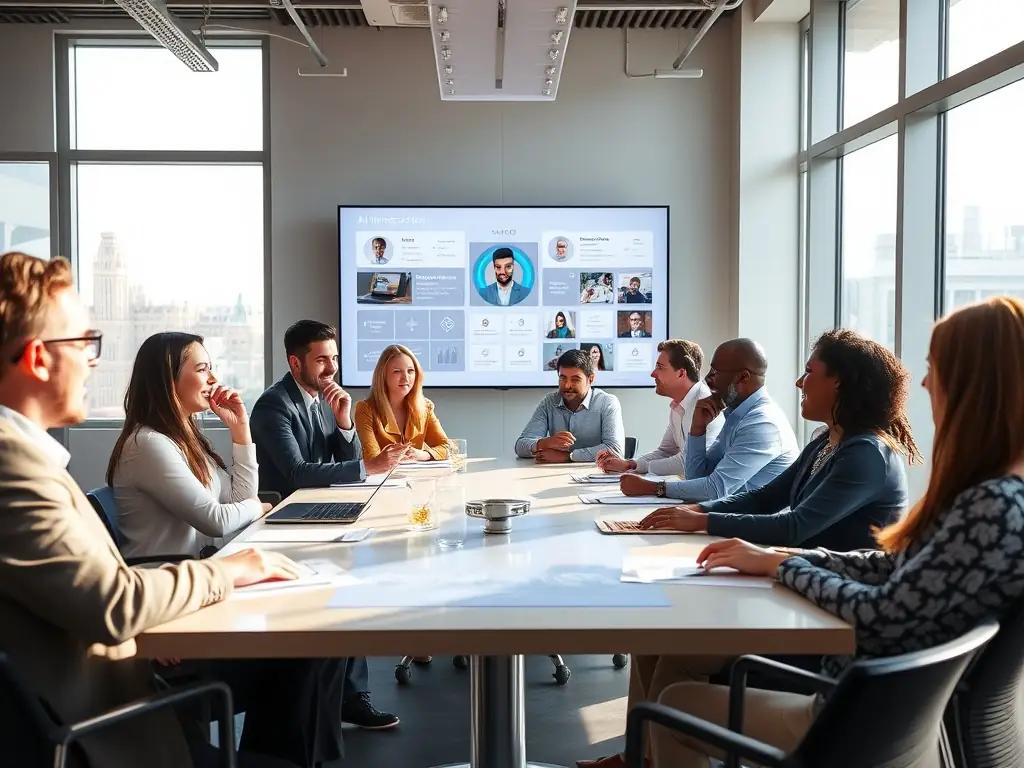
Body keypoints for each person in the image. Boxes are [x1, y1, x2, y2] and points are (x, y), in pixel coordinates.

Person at [641, 297, 1024, 768]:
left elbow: (880, 614)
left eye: (935, 368)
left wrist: (785, 565)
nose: (925, 382)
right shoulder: (995, 497)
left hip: (860, 712)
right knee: (672, 655)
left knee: (670, 705)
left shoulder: (988, 506)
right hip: (879, 700)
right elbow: (890, 565)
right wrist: (785, 559)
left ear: (976, 383)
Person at [0, 251, 310, 768]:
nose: (94, 359)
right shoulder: (14, 469)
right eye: (85, 342)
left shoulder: (30, 459)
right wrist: (226, 573)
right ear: (37, 357)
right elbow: (112, 604)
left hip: (127, 707)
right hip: (113, 738)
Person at [249, 319, 401, 731]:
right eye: (321, 360)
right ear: (294, 362)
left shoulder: (319, 399)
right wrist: (365, 466)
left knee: (351, 580)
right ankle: (342, 698)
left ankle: (351, 696)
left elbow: (334, 457)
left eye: (334, 358)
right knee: (346, 585)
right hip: (284, 520)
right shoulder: (273, 406)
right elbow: (298, 472)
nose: (331, 368)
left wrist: (345, 421)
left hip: (316, 510)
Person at [637, 330, 919, 550]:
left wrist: (702, 519)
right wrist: (697, 510)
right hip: (806, 575)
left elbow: (794, 526)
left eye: (809, 372)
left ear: (840, 383)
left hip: (843, 595)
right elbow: (766, 498)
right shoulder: (824, 441)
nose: (799, 382)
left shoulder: (867, 454)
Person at [108, 332, 267, 560]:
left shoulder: (185, 439)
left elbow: (238, 500)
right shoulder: (147, 444)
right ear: (168, 379)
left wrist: (240, 429)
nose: (213, 379)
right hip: (163, 580)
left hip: (193, 571)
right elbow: (216, 522)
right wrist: (256, 507)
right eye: (202, 369)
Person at [620, 338, 798, 503]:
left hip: (755, 533)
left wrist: (652, 487)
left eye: (715, 372)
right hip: (732, 519)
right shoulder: (736, 415)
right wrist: (697, 429)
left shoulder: (762, 423)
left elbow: (716, 489)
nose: (707, 380)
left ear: (742, 377)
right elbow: (696, 476)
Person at [596, 339, 722, 476]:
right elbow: (665, 451)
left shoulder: (703, 403)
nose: (653, 373)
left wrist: (633, 466)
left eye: (660, 367)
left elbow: (686, 461)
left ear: (681, 374)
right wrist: (631, 464)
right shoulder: (679, 405)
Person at [515, 348, 624, 463]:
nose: (567, 385)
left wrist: (569, 456)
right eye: (563, 379)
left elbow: (615, 450)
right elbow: (520, 445)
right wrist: (545, 443)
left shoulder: (607, 403)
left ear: (590, 379)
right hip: (553, 475)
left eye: (575, 379)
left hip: (594, 475)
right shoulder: (549, 402)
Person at [355, 344, 449, 463]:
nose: (405, 378)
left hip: (417, 478)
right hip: (383, 480)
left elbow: (446, 447)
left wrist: (421, 455)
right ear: (383, 376)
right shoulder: (365, 409)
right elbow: (372, 459)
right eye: (397, 372)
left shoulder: (426, 407)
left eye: (410, 371)